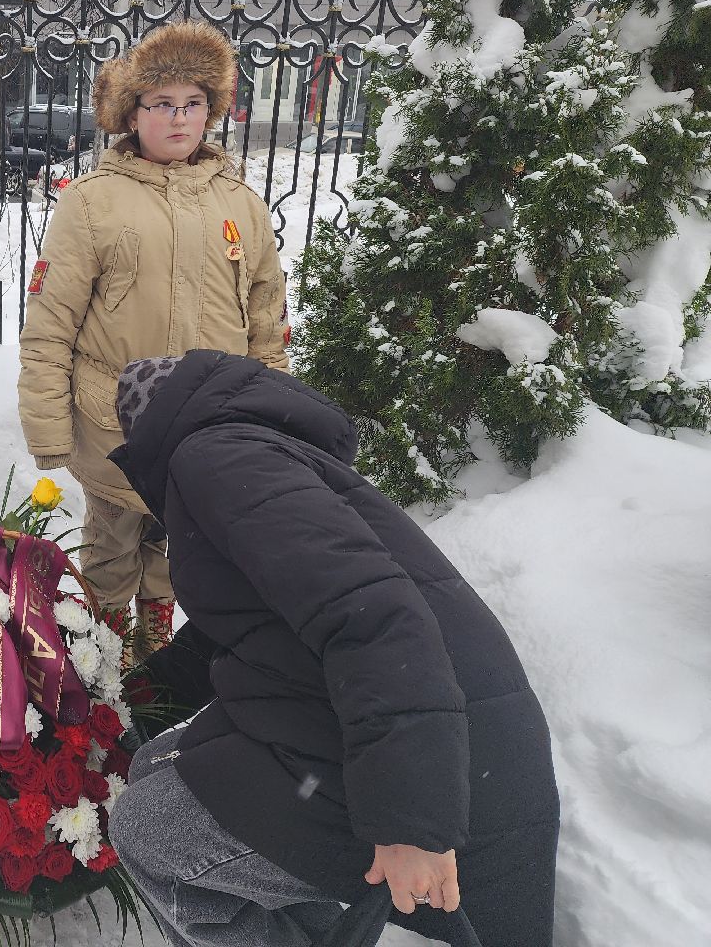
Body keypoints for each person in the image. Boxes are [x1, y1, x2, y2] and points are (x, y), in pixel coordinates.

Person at [105, 351, 560, 947]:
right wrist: (128, 699)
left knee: (149, 829)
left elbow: (371, 614)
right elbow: (248, 617)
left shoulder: (213, 456)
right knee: (158, 761)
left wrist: (413, 822)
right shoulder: (246, 451)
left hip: (445, 766)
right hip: (412, 725)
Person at [17, 21, 290, 656]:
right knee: (110, 552)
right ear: (132, 115)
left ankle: (156, 663)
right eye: (162, 104)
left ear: (211, 111)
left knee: (178, 553)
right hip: (113, 427)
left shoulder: (241, 206)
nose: (178, 119)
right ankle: (108, 666)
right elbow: (51, 325)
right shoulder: (92, 203)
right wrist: (50, 430)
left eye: (192, 104)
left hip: (205, 429)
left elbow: (264, 320)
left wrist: (273, 416)